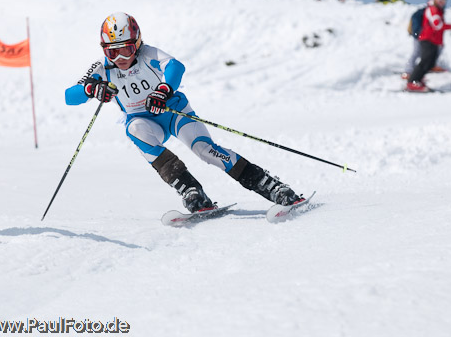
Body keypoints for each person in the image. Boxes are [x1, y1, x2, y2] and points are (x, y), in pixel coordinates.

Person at [65, 12, 306, 213]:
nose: (119, 58)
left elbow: (175, 66)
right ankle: (191, 190)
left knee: (205, 150)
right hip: (146, 122)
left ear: (137, 44)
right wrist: (90, 89)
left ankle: (271, 186)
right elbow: (69, 95)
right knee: (134, 129)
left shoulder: (148, 54)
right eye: (111, 52)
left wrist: (163, 90)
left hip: (174, 112)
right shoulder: (103, 68)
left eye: (126, 50)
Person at [407, 0, 451, 92]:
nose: (441, 1)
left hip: (434, 41)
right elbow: (437, 24)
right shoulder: (433, 9)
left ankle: (417, 80)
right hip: (427, 39)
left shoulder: (439, 10)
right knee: (425, 61)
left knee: (430, 63)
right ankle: (412, 82)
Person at [403, 1, 444, 78]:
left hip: (424, 36)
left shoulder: (426, 12)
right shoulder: (422, 13)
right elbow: (417, 25)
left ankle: (431, 65)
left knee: (428, 53)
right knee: (417, 52)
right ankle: (408, 71)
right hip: (420, 36)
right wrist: (418, 34)